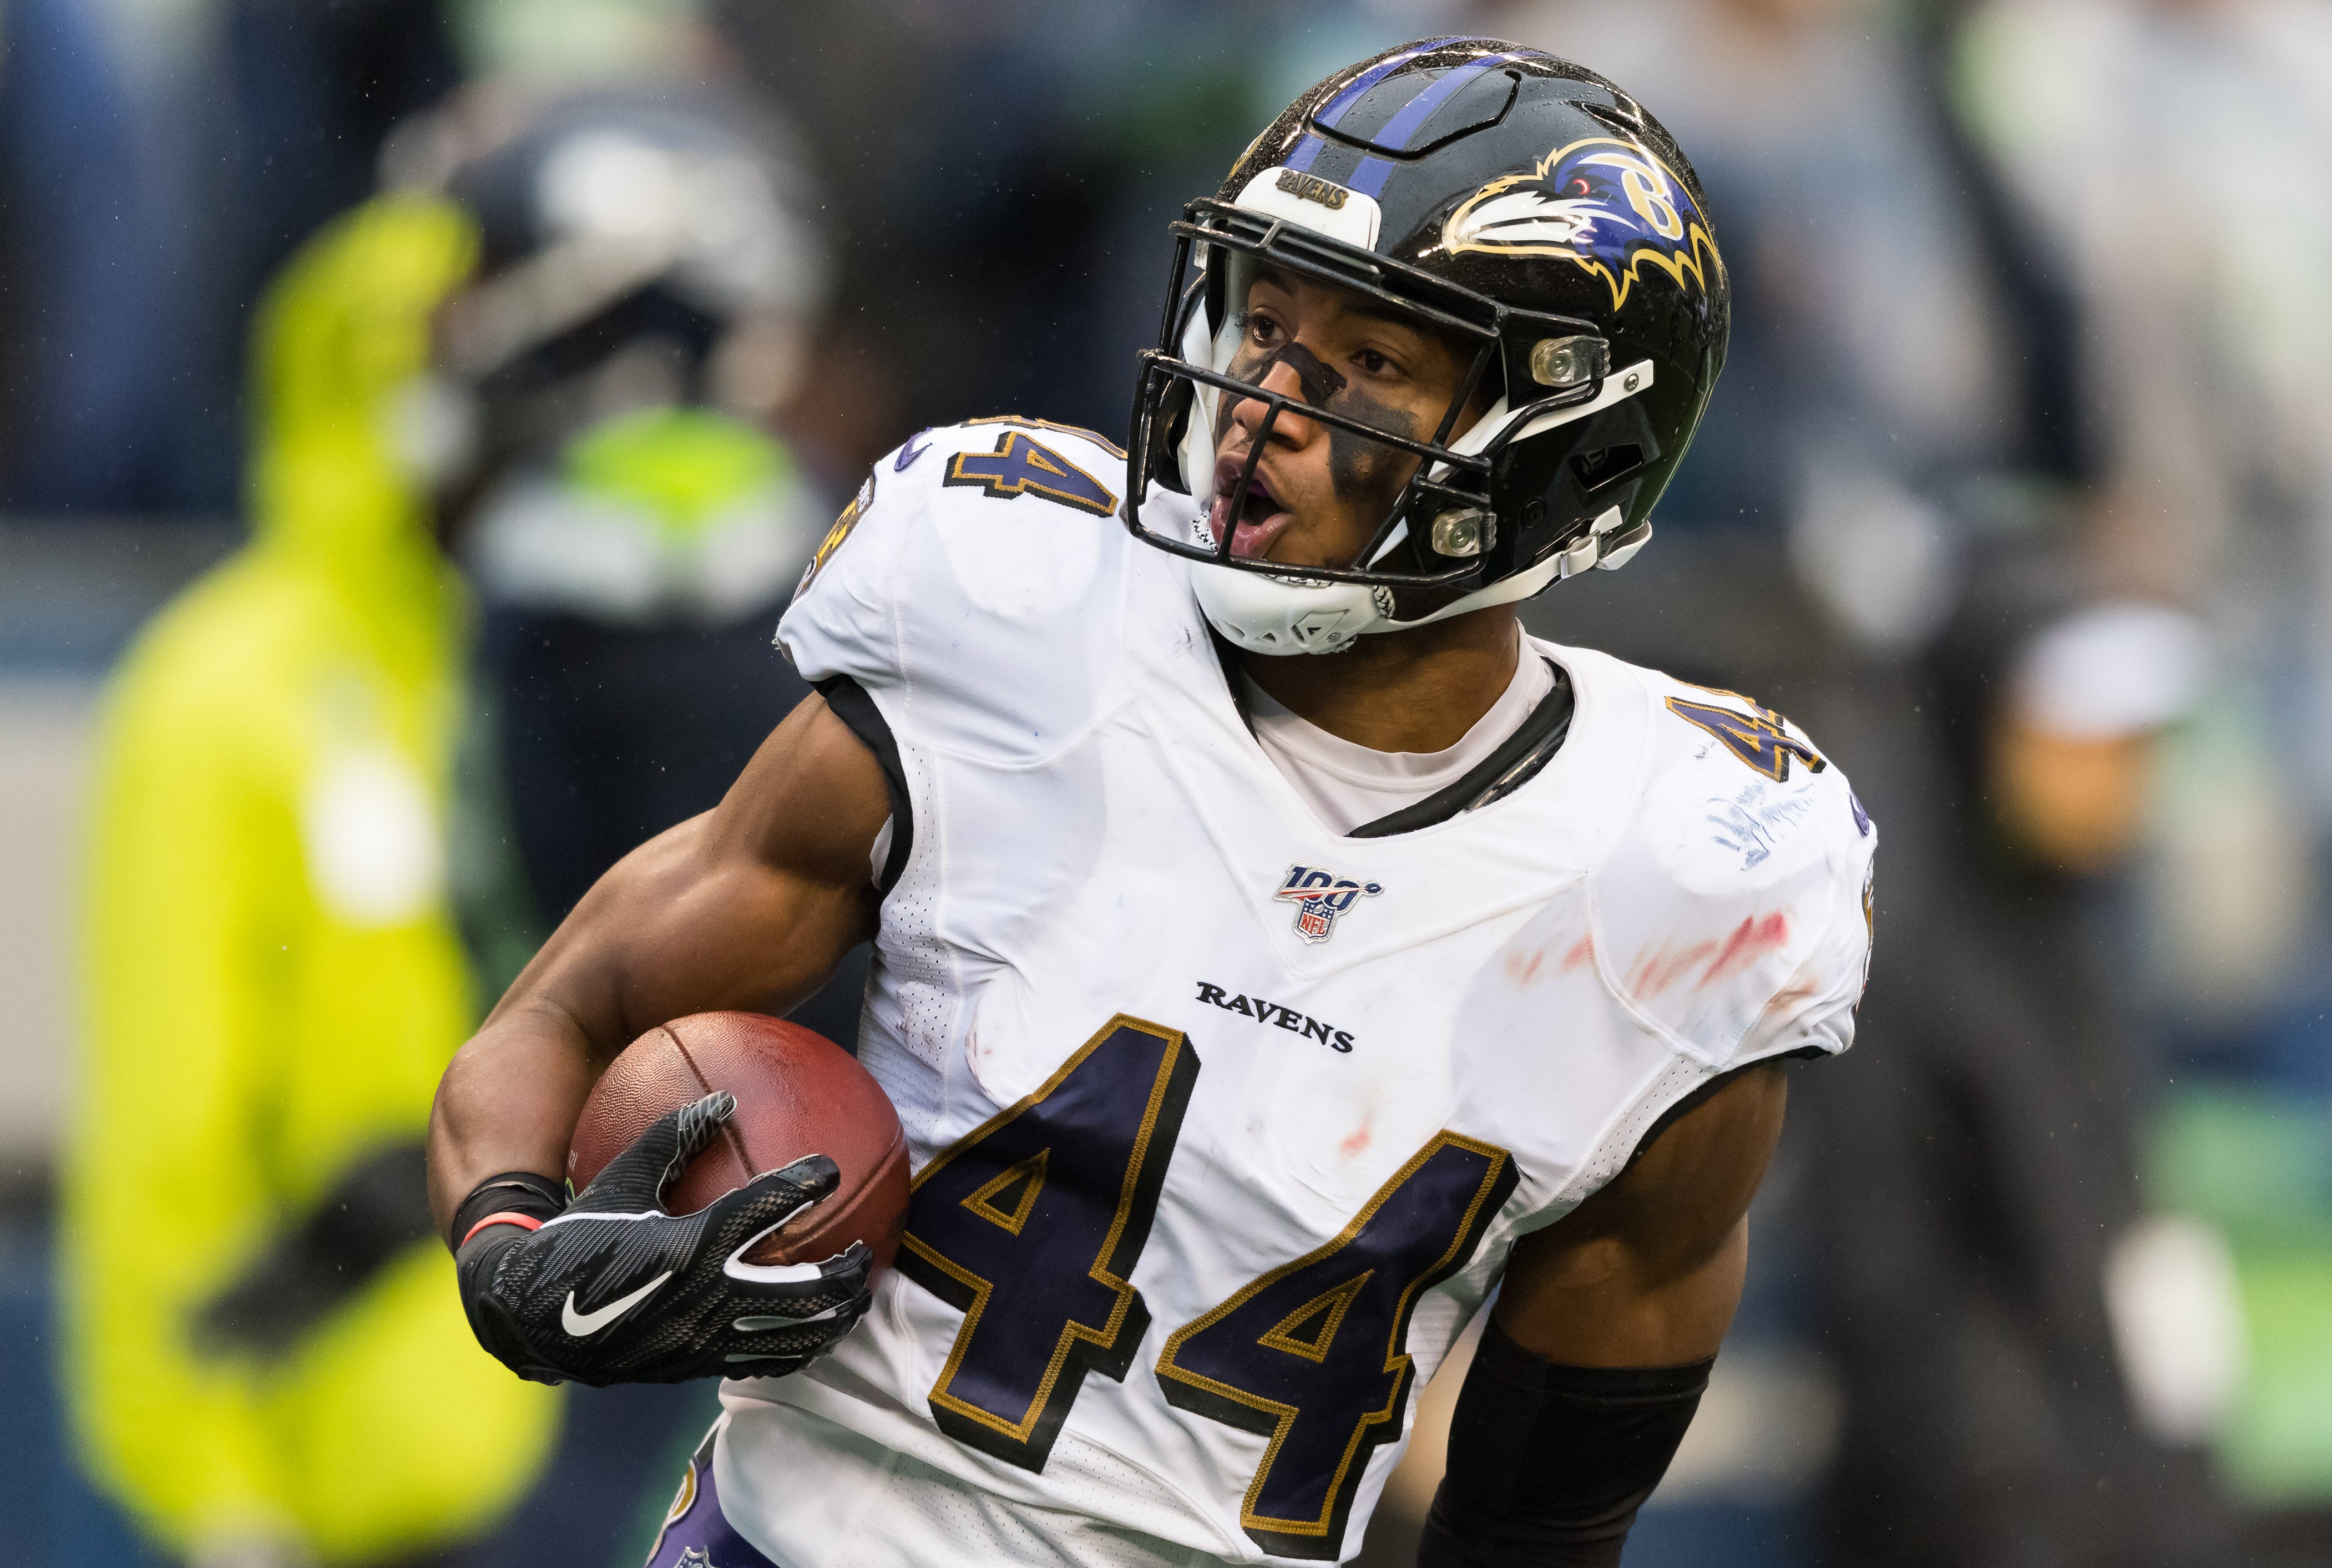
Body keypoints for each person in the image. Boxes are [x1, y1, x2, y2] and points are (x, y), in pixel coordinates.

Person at [427, 37, 1878, 1567]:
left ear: (1571, 449)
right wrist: (518, 1245)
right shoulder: (1011, 611)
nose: (1264, 407)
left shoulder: (1676, 879)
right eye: (1265, 326)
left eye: (1374, 365)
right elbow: (567, 1012)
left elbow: (1549, 1515)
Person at [63, 195, 560, 1568]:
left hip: (538, 1466)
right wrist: (211, 1486)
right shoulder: (219, 697)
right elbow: (165, 1127)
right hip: (313, 1487)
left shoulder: (522, 680)